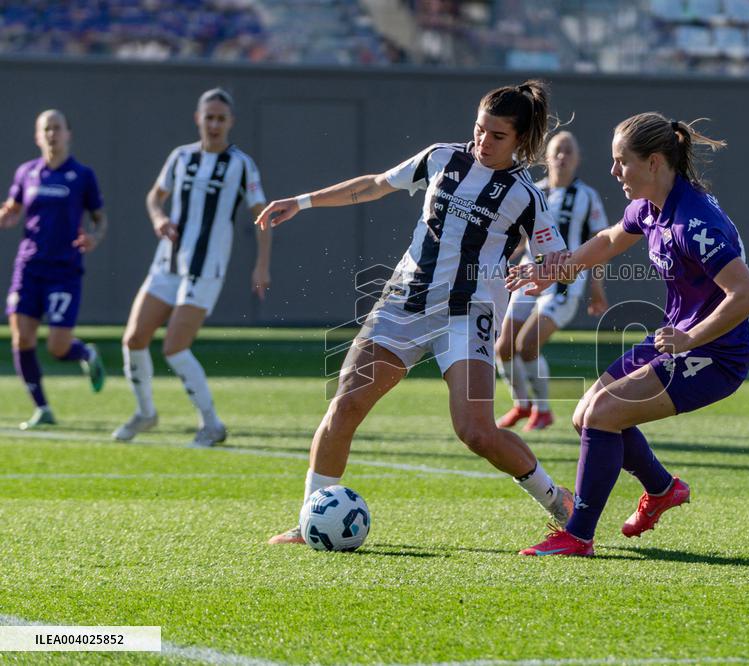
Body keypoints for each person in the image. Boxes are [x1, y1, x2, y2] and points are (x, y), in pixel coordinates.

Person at [257, 80, 575, 546]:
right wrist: (302, 203)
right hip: (403, 304)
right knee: (345, 404)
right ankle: (310, 522)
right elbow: (373, 185)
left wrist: (544, 274)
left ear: (522, 140)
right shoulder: (441, 158)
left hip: (468, 317)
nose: (483, 142)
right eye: (479, 129)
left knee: (477, 433)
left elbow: (559, 262)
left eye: (497, 136)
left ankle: (557, 500)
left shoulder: (525, 195)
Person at [510, 113, 749, 556]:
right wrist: (554, 271)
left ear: (654, 162)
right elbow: (608, 240)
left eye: (621, 161)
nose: (613, 172)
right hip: (677, 337)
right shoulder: (651, 205)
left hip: (714, 354)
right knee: (585, 415)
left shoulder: (694, 223)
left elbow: (747, 295)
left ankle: (578, 535)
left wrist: (691, 338)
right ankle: (662, 489)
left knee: (603, 414)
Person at [113, 88, 271, 447]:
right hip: (167, 263)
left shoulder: (241, 164)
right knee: (134, 339)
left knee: (174, 347)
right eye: (209, 117)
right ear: (198, 119)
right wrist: (157, 218)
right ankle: (146, 413)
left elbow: (262, 215)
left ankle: (212, 424)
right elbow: (155, 195)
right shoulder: (180, 157)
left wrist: (262, 265)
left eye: (221, 118)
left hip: (206, 268)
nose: (214, 124)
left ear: (230, 122)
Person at [495, 131, 609, 432]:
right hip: (528, 275)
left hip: (565, 282)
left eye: (568, 151)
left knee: (528, 343)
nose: (562, 157)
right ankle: (522, 405)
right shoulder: (534, 192)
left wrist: (597, 289)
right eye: (557, 151)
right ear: (546, 157)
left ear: (578, 159)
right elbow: (519, 240)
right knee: (503, 347)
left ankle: (543, 411)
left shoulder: (586, 196)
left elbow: (600, 242)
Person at [0, 110, 107, 429]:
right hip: (29, 267)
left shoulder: (82, 175)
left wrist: (95, 237)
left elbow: (100, 217)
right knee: (21, 339)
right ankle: (42, 408)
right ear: (37, 136)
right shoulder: (27, 173)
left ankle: (86, 354)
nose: (51, 134)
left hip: (64, 270)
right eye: (46, 129)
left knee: (58, 347)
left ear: (68, 134)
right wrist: (6, 215)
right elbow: (13, 209)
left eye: (57, 128)